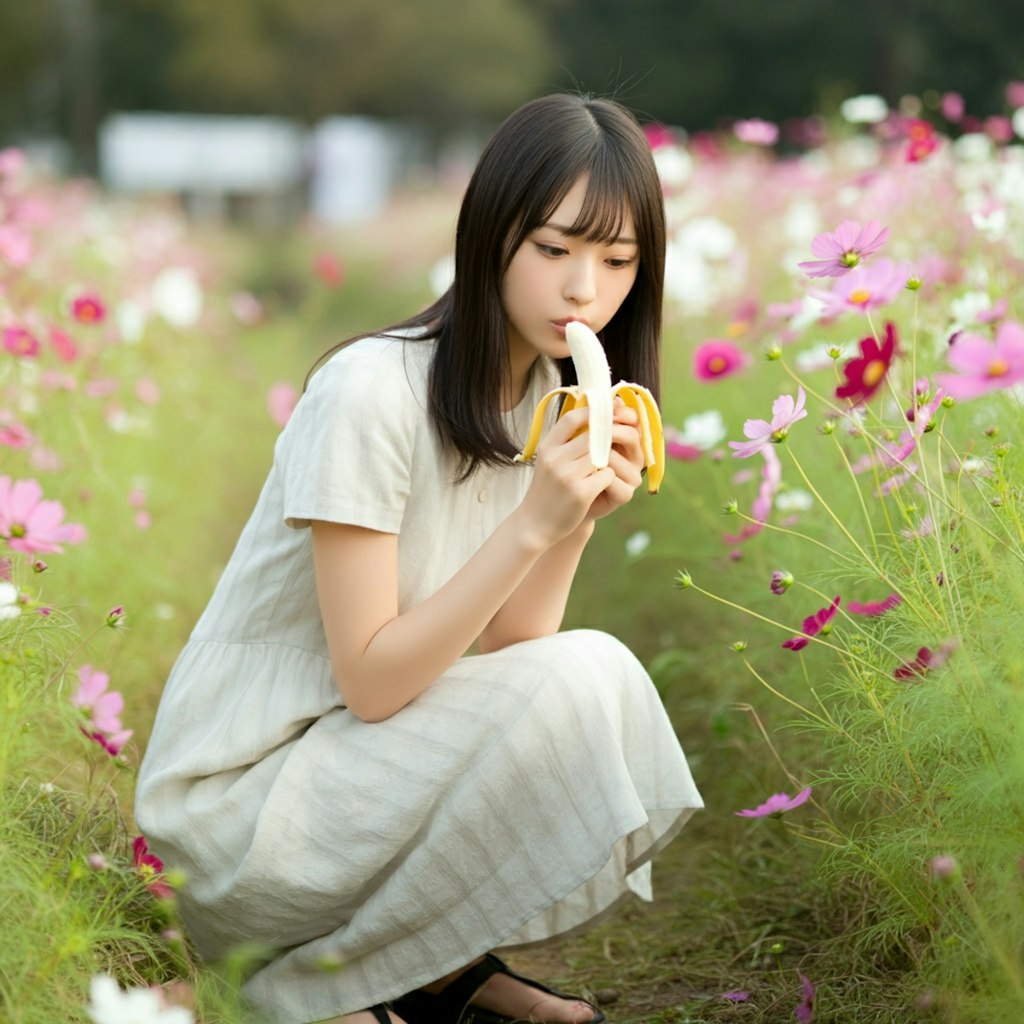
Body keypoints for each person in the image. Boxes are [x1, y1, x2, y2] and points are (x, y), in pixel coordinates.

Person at [135, 92, 703, 1024]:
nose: (583, 290)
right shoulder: (371, 392)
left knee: (582, 682)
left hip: (348, 782)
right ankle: (281, 992)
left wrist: (576, 516)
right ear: (491, 240)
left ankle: (425, 973)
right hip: (236, 816)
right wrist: (528, 524)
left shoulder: (546, 394)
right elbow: (370, 681)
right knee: (592, 672)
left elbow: (519, 655)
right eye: (555, 250)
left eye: (617, 261)